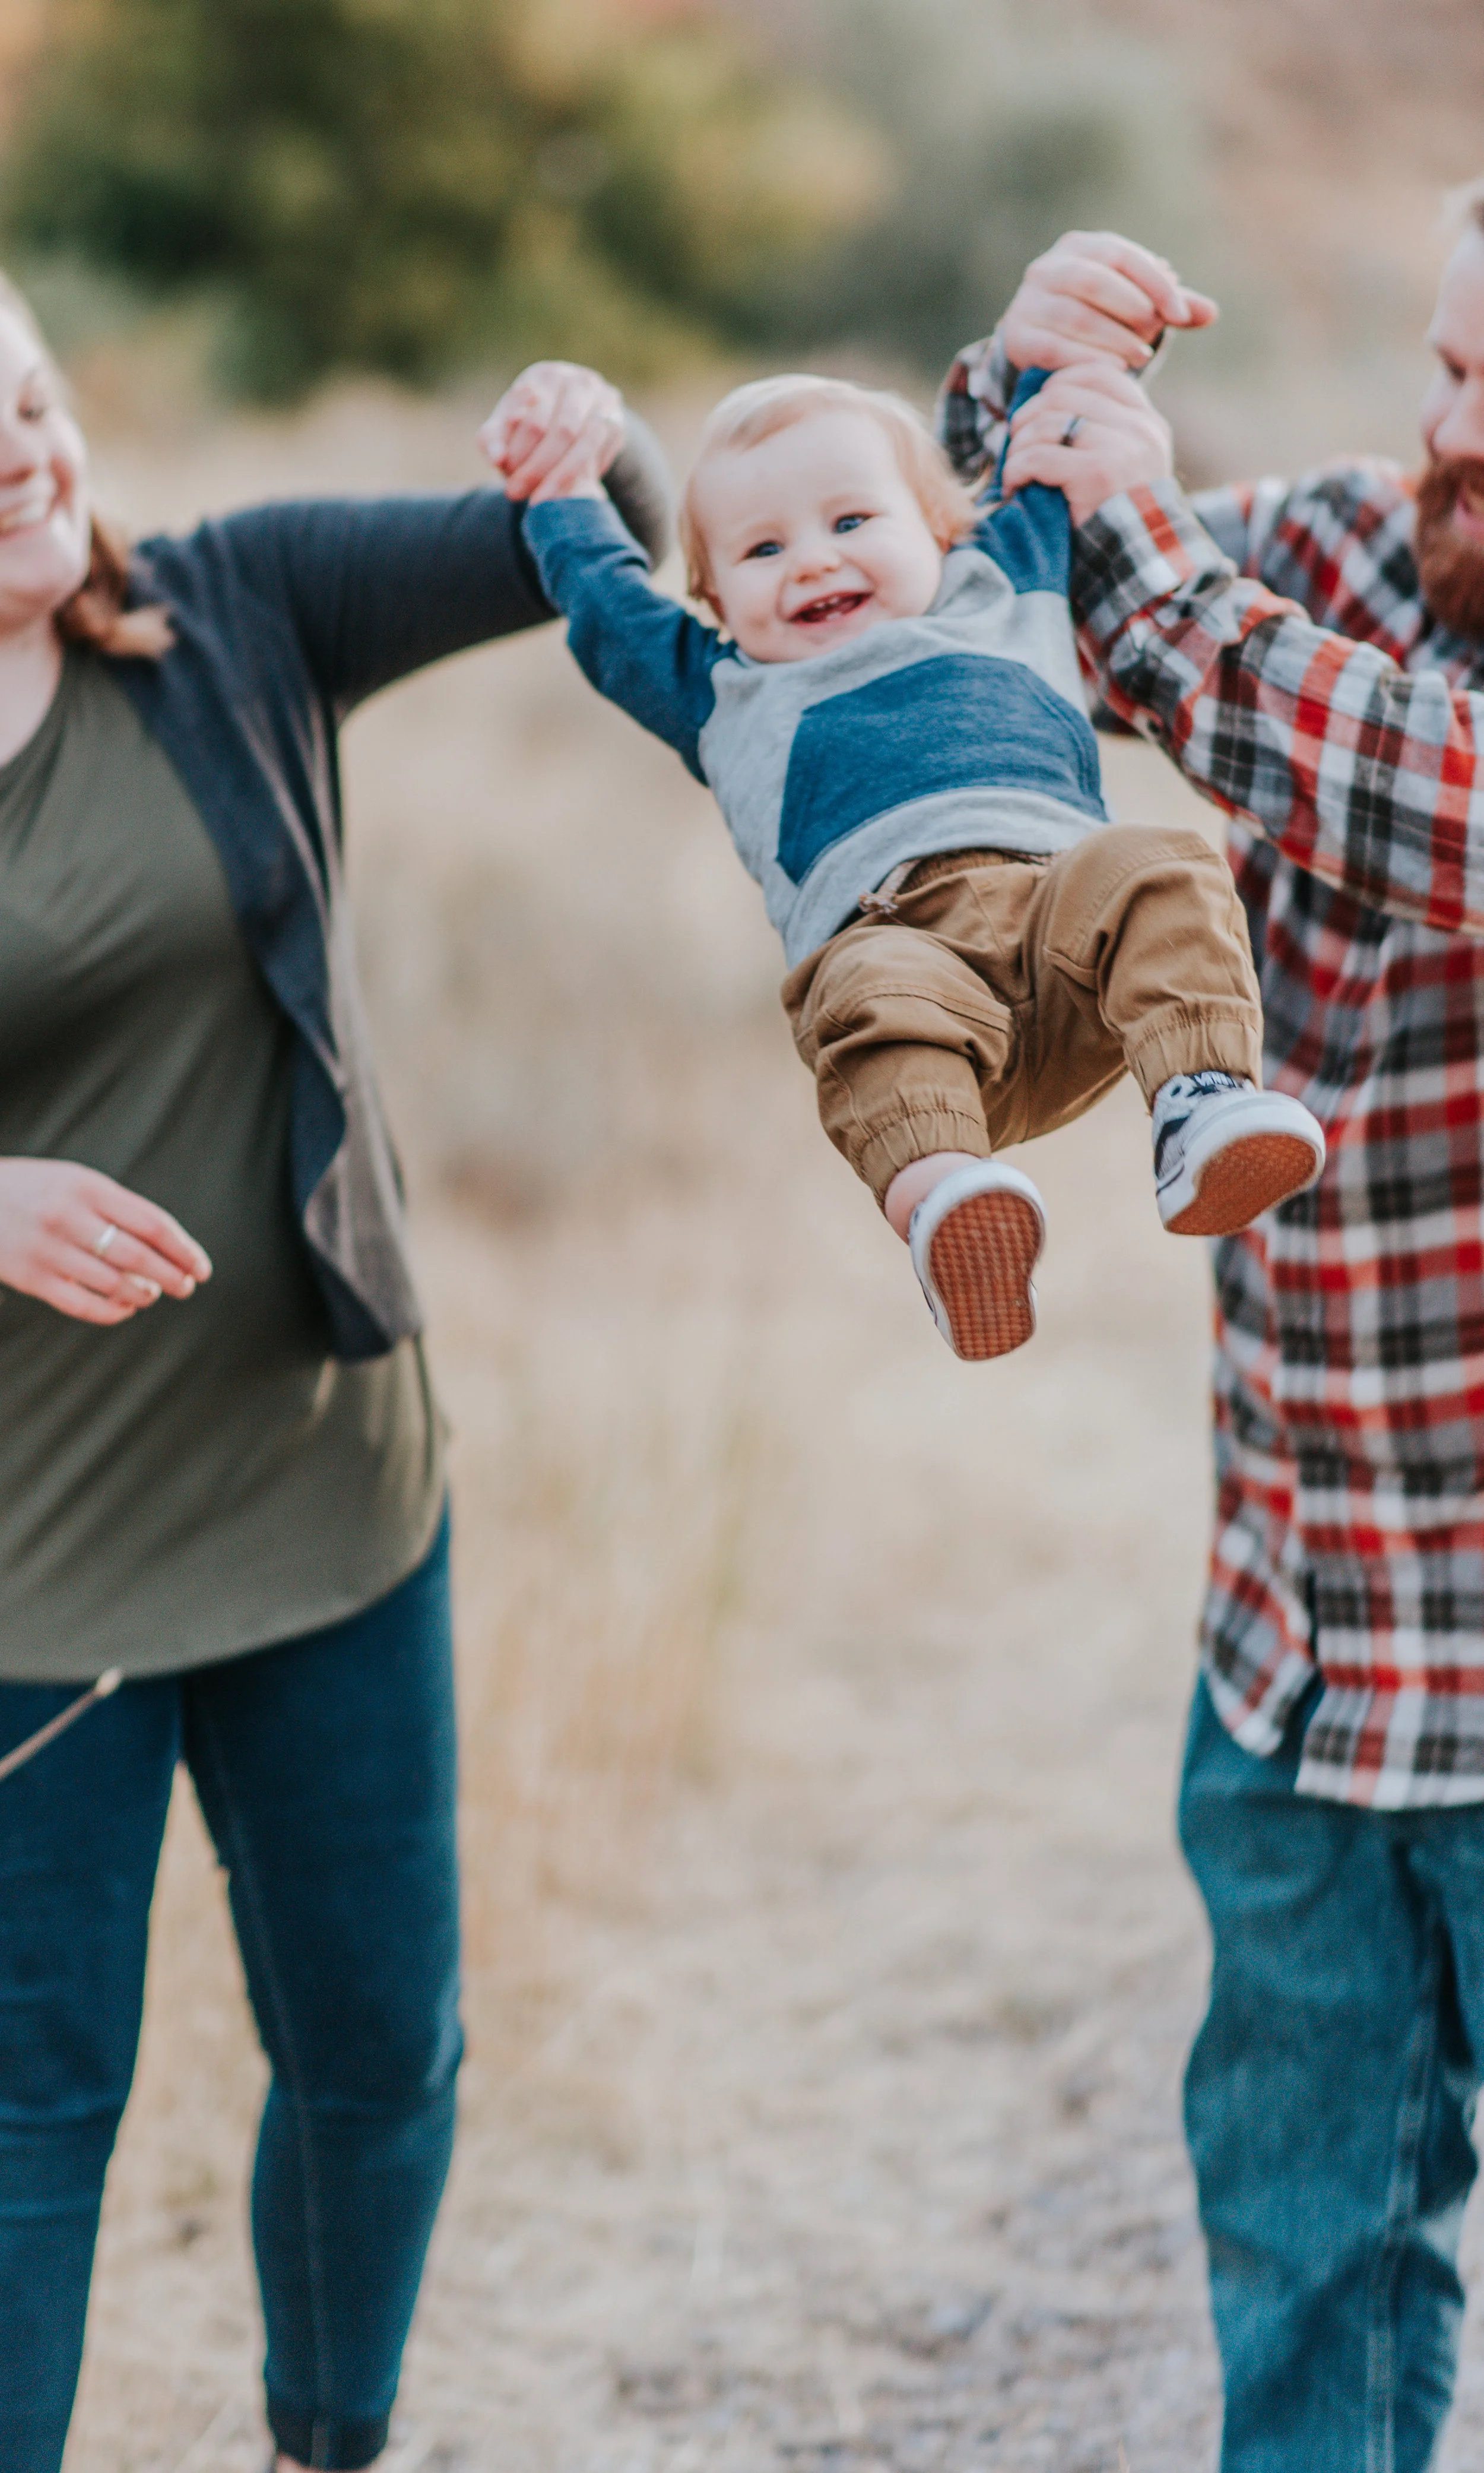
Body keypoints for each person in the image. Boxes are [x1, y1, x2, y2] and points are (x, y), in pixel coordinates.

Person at [0, 294, 669, 2473]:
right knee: (29, 2121)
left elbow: (600, 528)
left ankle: (325, 2444)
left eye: (31, 394)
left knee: (384, 2050)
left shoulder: (238, 609)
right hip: (29, 1583)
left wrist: (594, 435)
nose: (20, 448)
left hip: (326, 1497)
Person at [938, 202, 1484, 2466]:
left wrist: (1149, 567)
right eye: (1444, 369)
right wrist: (1029, 407)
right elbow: (1011, 623)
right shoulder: (1378, 545)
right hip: (1304, 1647)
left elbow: (1417, 787)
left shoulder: (1306, 631)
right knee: (1305, 2253)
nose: (1443, 433)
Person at [480, 365, 1324, 1361]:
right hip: (916, 985)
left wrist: (1063, 359)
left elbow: (1039, 421)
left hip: (1072, 952)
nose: (811, 562)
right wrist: (560, 490)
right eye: (761, 549)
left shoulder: (1007, 586)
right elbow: (605, 606)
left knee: (1159, 860)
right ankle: (950, 1208)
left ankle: (1200, 1101)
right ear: (714, 598)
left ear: (939, 527)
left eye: (850, 521)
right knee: (865, 983)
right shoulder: (721, 691)